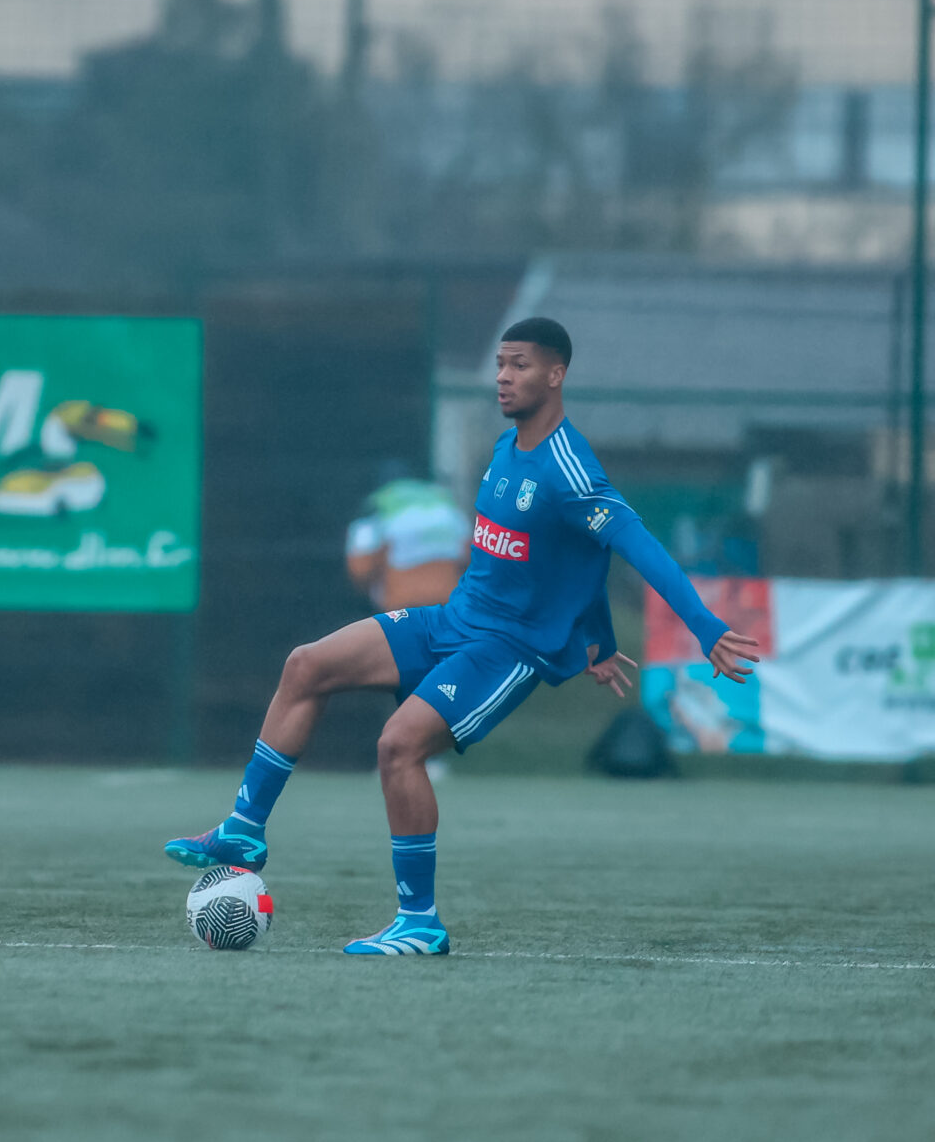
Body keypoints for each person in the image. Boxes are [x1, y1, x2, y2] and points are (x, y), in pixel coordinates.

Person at [163, 317, 764, 955]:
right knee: (306, 664)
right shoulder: (506, 449)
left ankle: (419, 922)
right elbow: (570, 559)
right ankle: (244, 830)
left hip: (507, 650)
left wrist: (705, 627)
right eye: (500, 364)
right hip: (452, 621)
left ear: (556, 374)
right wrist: (598, 638)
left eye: (520, 365)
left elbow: (634, 547)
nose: (503, 377)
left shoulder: (569, 467)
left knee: (398, 747)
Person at [345, 461, 466, 612]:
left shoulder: (377, 507)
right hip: (449, 603)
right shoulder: (445, 505)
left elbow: (360, 569)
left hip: (404, 607)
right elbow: (472, 554)